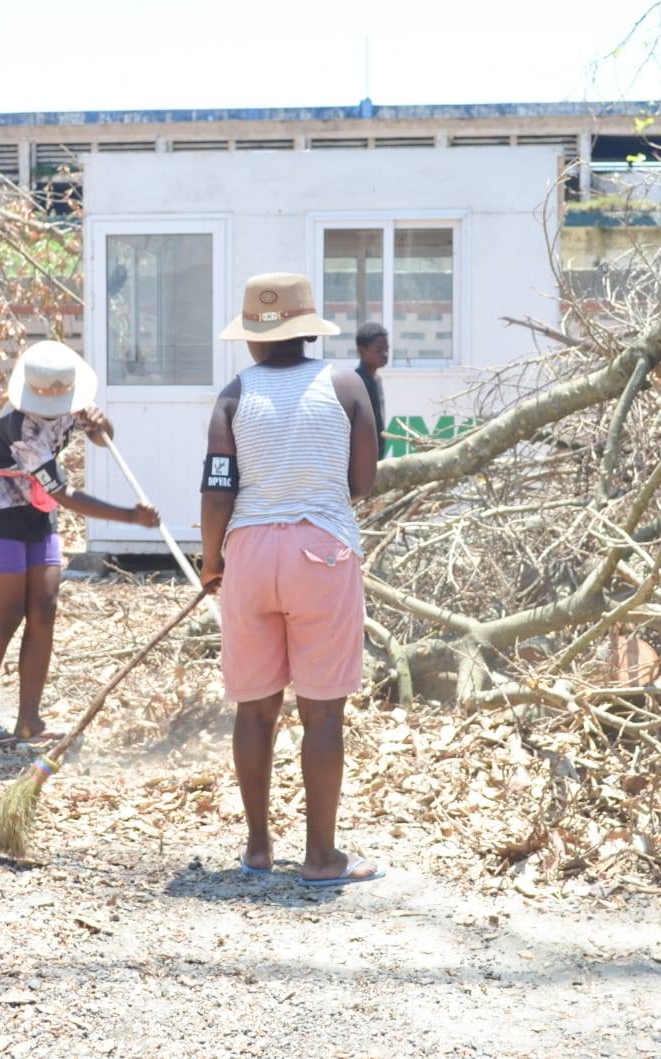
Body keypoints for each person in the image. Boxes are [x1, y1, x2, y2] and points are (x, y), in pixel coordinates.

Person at [200, 272, 384, 888]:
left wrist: (210, 559)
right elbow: (362, 484)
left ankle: (257, 847)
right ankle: (321, 858)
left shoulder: (232, 395)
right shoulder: (346, 385)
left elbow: (216, 490)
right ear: (308, 330)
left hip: (250, 555)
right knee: (322, 715)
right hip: (321, 552)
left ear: (253, 338)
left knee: (254, 712)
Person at [0, 340, 159, 746]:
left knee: (45, 608)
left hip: (39, 510)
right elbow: (66, 494)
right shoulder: (18, 426)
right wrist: (130, 517)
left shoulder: (70, 402)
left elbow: (103, 439)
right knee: (10, 612)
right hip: (0, 511)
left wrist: (102, 425)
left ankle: (29, 719)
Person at [354, 321, 389, 451]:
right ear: (361, 350)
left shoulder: (376, 379)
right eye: (379, 350)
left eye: (386, 349)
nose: (385, 354)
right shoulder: (357, 382)